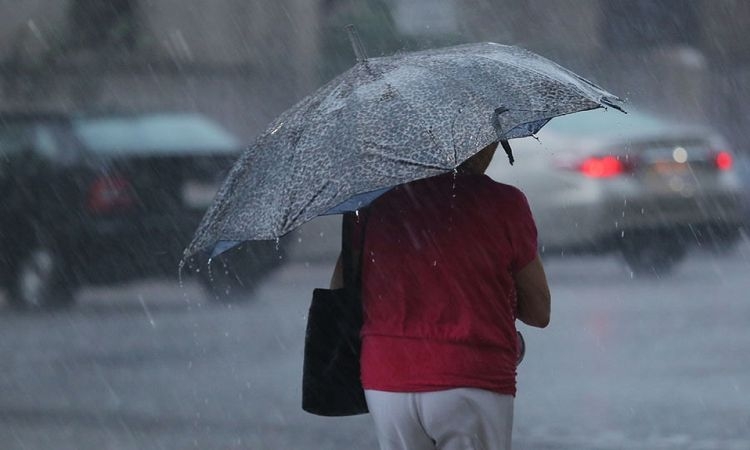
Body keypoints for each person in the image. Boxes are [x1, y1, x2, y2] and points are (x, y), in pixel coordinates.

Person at [331, 141, 550, 450]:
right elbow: (539, 312)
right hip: (471, 374)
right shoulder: (505, 203)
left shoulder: (373, 202)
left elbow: (341, 290)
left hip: (387, 376)